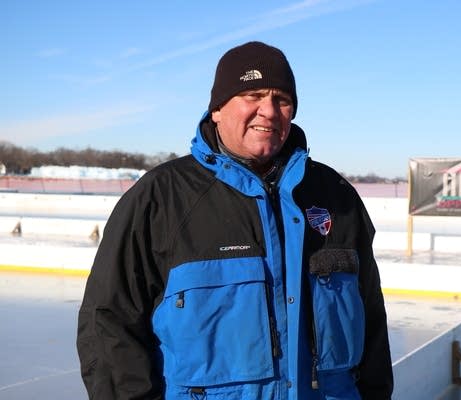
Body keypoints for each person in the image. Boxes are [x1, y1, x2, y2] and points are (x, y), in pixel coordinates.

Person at [77, 41, 393, 400]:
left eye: (282, 100)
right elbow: (109, 325)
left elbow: (371, 327)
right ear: (217, 110)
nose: (269, 111)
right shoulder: (161, 198)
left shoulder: (335, 197)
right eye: (253, 95)